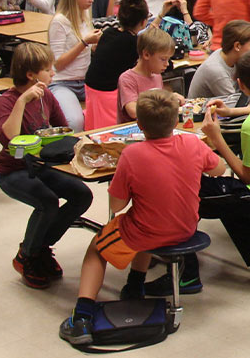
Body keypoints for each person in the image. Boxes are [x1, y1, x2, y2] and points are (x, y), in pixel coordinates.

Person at [59, 90, 225, 346]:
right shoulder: (192, 143)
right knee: (144, 219)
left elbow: (117, 205)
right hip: (186, 228)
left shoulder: (132, 155)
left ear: (139, 125)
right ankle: (134, 284)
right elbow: (218, 168)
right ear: (174, 121)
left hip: (149, 231)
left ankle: (81, 314)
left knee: (98, 247)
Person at [158, 51, 250, 295]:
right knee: (223, 196)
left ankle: (186, 274)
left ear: (240, 85)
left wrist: (218, 140)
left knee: (188, 195)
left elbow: (246, 177)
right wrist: (231, 112)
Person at [0, 43, 93, 289]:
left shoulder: (47, 96)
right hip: (13, 170)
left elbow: (65, 130)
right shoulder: (7, 101)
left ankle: (39, 248)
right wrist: (23, 101)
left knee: (82, 194)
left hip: (43, 167)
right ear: (31, 75)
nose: (52, 73)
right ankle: (27, 255)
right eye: (48, 69)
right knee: (47, 202)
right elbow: (9, 138)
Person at [84, 0, 150, 130]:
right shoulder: (133, 43)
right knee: (112, 132)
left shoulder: (109, 33)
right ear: (144, 21)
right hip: (108, 93)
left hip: (91, 88)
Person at [48, 0, 102, 131]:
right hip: (63, 82)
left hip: (85, 81)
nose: (91, 0)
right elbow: (58, 64)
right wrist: (84, 43)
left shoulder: (84, 17)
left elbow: (85, 52)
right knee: (75, 123)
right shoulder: (59, 22)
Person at [188, 19, 250, 105]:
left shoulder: (229, 56)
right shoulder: (216, 70)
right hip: (202, 116)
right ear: (237, 46)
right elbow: (234, 107)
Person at [117, 28, 176, 123]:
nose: (167, 64)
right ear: (146, 55)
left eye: (168, 59)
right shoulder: (127, 78)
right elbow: (133, 111)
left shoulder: (157, 76)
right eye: (163, 59)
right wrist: (169, 101)